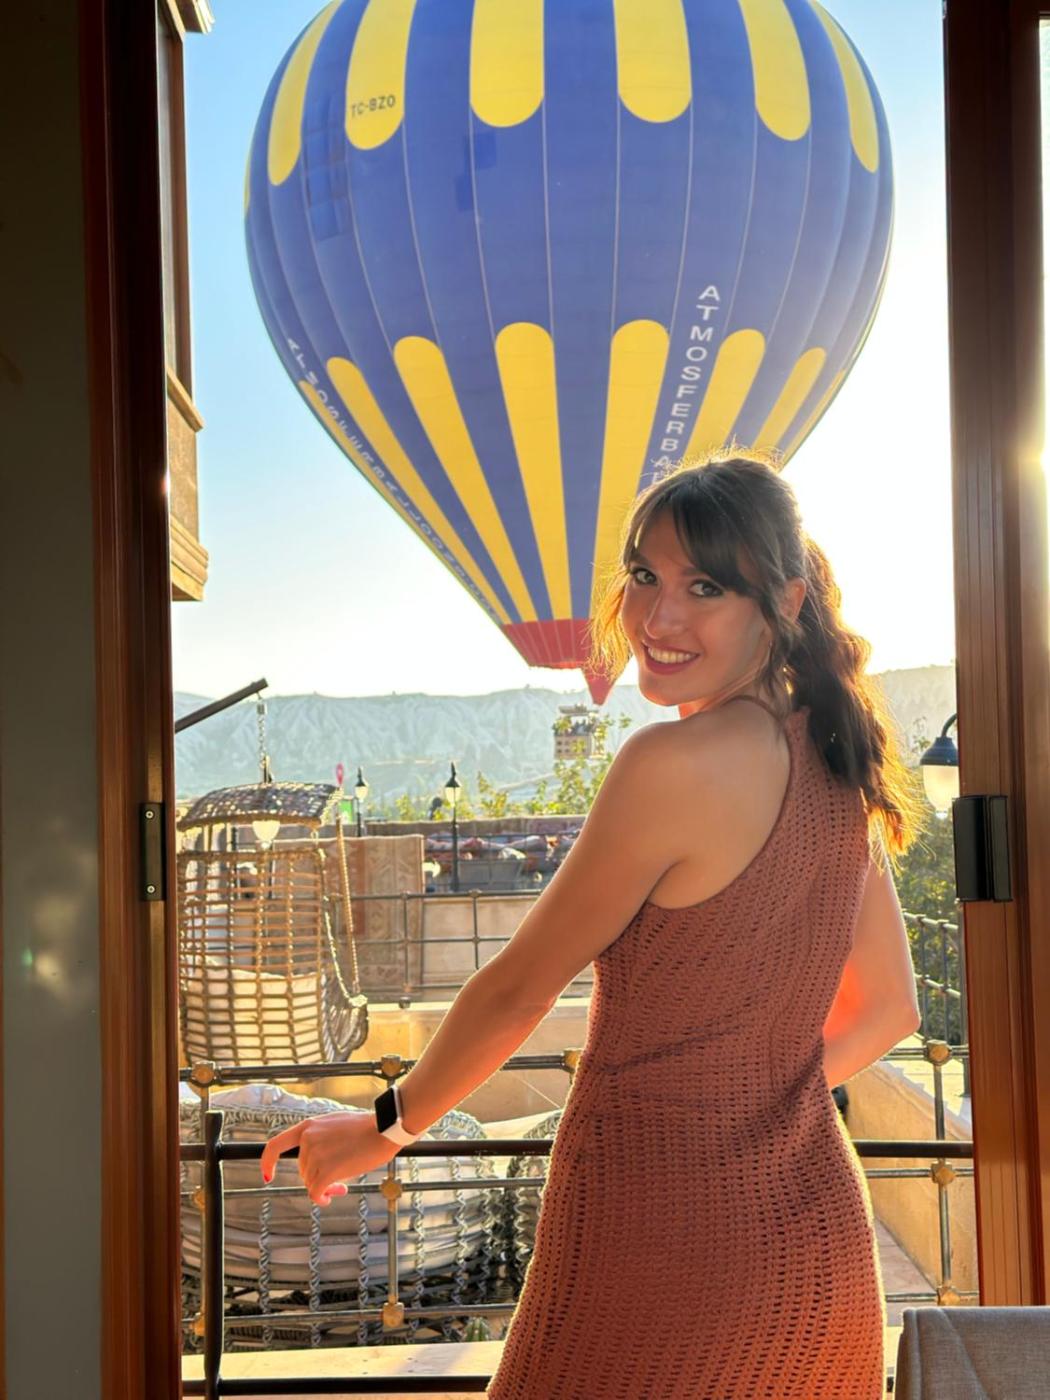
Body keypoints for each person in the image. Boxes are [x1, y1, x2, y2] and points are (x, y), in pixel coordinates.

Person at [260, 451, 925, 1398]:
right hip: (814, 1250)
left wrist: (384, 1126)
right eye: (646, 575)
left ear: (783, 600)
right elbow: (890, 1010)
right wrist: (747, 1095)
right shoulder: (837, 759)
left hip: (661, 1239)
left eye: (706, 587)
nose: (658, 617)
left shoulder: (671, 764)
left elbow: (516, 989)